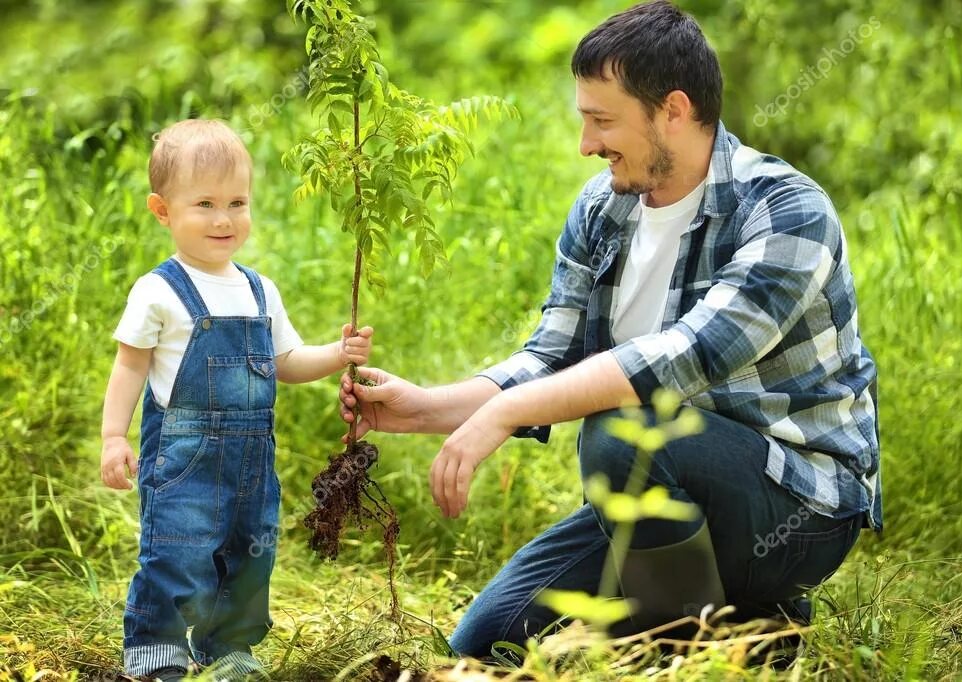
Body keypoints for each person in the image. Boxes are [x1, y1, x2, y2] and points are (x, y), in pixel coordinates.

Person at [341, 0, 881, 658]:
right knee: (488, 643)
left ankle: (684, 651)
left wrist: (508, 413)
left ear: (673, 111)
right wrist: (427, 408)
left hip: (799, 506)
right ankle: (756, 631)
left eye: (602, 121)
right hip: (665, 488)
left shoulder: (785, 210)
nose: (586, 144)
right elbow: (551, 357)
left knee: (620, 432)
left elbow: (681, 359)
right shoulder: (604, 207)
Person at [100, 119, 373, 681]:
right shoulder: (158, 291)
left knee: (250, 554)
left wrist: (338, 352)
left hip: (253, 463)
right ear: (162, 210)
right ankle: (157, 654)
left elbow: (287, 364)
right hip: (183, 460)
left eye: (237, 202)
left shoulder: (259, 289)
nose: (223, 219)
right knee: (176, 553)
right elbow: (130, 365)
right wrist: (112, 437)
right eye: (204, 203)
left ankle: (231, 650)